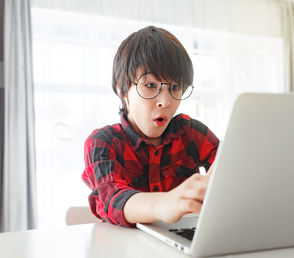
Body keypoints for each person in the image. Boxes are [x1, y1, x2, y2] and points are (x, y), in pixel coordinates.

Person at [82, 26, 219, 227]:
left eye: (174, 87)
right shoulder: (103, 142)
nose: (165, 101)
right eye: (151, 85)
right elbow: (110, 197)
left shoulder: (191, 132)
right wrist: (164, 204)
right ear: (123, 90)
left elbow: (232, 168)